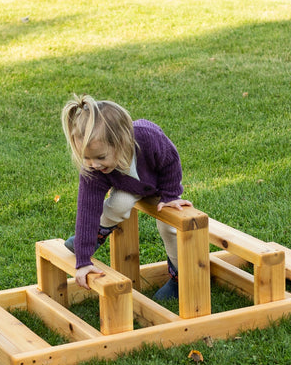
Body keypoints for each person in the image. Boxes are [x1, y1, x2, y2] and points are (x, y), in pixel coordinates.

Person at [60, 95, 192, 302]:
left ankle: (179, 278)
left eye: (100, 157)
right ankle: (94, 238)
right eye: (86, 158)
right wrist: (83, 259)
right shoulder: (94, 170)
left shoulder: (148, 138)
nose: (93, 164)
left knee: (169, 229)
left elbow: (170, 160)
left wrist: (171, 194)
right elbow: (88, 209)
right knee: (119, 204)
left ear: (121, 142)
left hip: (160, 185)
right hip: (130, 188)